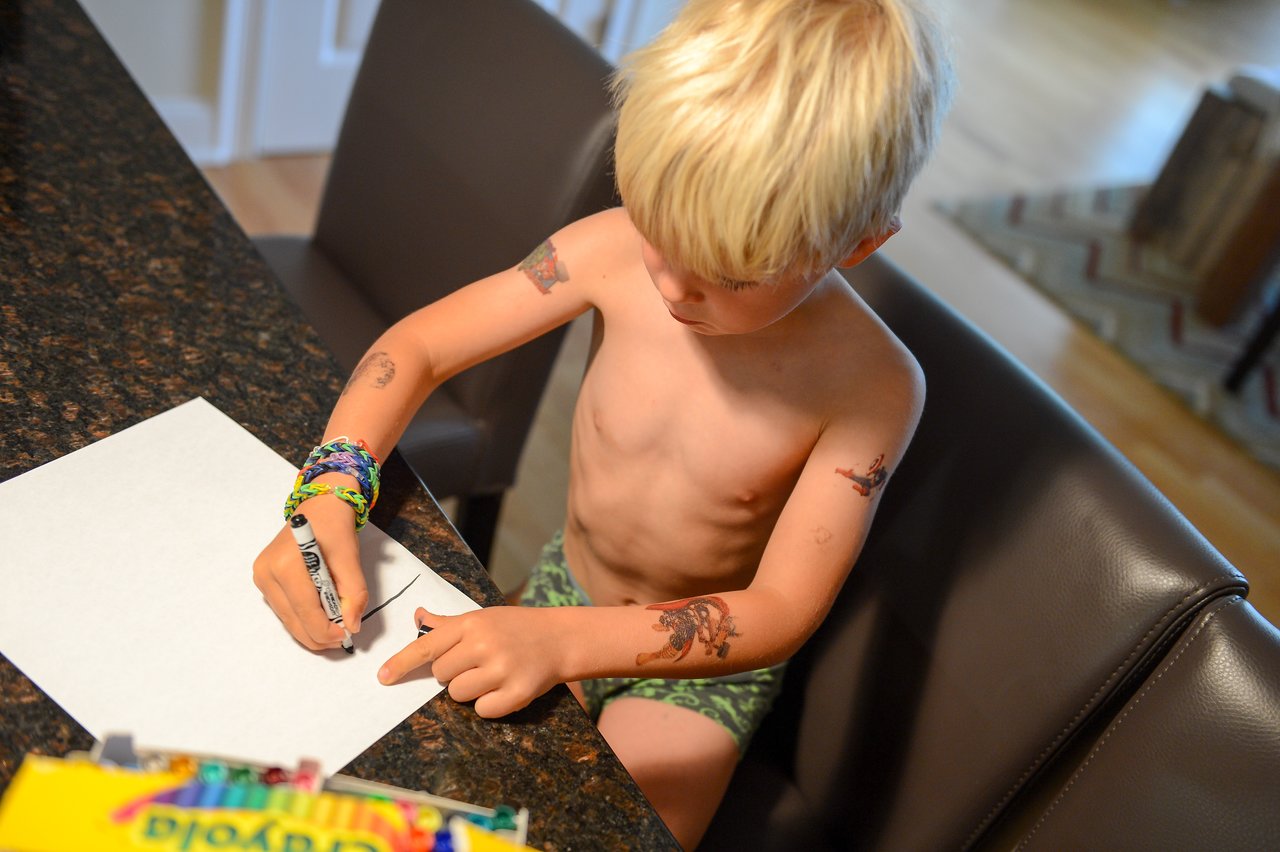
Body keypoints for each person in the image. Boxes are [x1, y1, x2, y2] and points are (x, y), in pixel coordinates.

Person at [253, 0, 952, 846]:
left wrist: (569, 643)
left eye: (731, 275)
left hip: (701, 672)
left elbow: (778, 610)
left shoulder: (873, 386)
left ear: (858, 244)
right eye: (660, 230)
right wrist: (329, 493)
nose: (673, 286)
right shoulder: (613, 248)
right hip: (561, 586)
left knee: (604, 834)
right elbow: (422, 347)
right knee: (411, 791)